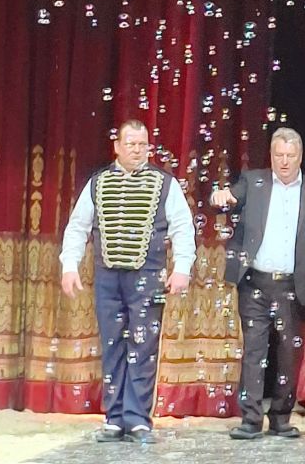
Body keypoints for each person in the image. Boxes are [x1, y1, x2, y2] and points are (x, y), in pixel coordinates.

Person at [60, 119, 196, 445]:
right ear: (117, 147)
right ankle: (114, 417)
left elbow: (182, 227)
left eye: (142, 144)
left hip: (148, 277)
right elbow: (78, 227)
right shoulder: (97, 183)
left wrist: (182, 268)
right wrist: (69, 266)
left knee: (143, 347)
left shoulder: (165, 184)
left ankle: (137, 419)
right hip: (108, 278)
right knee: (112, 345)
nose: (137, 150)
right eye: (131, 144)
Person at [210, 127, 305, 440]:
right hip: (255, 282)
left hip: (294, 286)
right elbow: (227, 199)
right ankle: (251, 419)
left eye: (290, 155)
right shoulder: (253, 182)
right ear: (270, 156)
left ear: (300, 156)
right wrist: (220, 197)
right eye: (278, 155)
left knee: (288, 354)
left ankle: (281, 417)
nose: (284, 161)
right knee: (254, 351)